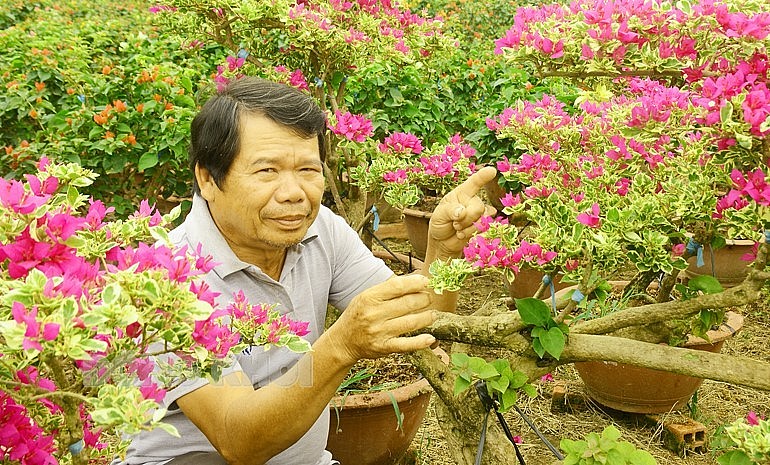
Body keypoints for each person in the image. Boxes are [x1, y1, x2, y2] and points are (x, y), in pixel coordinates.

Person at [121, 76, 496, 465]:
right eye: (267, 170)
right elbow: (237, 440)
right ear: (208, 179)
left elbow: (417, 322)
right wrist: (341, 345)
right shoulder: (168, 278)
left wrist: (444, 253)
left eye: (307, 169)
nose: (294, 192)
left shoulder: (320, 230)